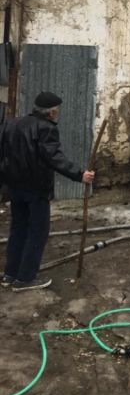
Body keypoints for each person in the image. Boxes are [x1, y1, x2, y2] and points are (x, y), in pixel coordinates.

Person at [0, 91, 95, 291]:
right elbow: (54, 158)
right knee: (37, 232)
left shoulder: (12, 124)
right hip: (35, 189)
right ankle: (25, 278)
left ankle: (10, 274)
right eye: (57, 111)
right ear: (51, 113)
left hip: (15, 188)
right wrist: (79, 175)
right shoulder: (46, 128)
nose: (57, 114)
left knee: (18, 229)